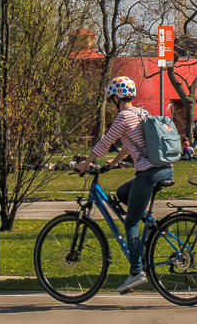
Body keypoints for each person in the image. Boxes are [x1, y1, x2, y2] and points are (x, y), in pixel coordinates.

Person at [76, 77, 173, 295]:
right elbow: (133, 142)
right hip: (164, 168)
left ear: (116, 98)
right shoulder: (142, 113)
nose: (112, 102)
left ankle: (136, 271)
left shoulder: (123, 117)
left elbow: (104, 143)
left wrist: (85, 164)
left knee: (130, 223)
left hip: (148, 173)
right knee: (121, 192)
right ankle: (147, 225)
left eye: (111, 98)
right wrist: (114, 162)